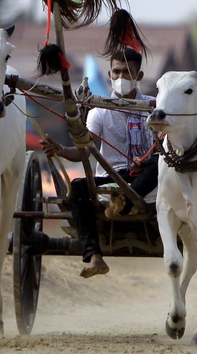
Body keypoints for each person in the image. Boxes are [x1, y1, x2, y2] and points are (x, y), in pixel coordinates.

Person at [42, 48, 159, 278]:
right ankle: (95, 256)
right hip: (114, 182)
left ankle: (126, 202)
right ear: (109, 74)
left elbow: (165, 147)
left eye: (128, 72)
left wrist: (144, 163)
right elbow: (85, 151)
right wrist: (62, 150)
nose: (121, 77)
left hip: (148, 180)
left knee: (161, 163)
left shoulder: (155, 107)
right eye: (117, 72)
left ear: (140, 76)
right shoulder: (99, 112)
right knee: (77, 186)